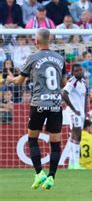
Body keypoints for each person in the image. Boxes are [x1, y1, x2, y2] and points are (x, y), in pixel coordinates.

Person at [7, 28, 67, 190]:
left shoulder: (33, 57)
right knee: (55, 143)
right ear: (50, 40)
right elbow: (63, 84)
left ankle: (39, 172)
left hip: (39, 103)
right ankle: (51, 177)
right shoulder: (60, 58)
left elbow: (19, 81)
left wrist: (10, 79)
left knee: (32, 138)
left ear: (37, 41)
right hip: (55, 104)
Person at [62, 64, 87, 170]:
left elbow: (84, 98)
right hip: (74, 112)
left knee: (74, 136)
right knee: (78, 135)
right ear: (73, 73)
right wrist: (73, 109)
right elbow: (64, 94)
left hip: (80, 113)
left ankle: (71, 164)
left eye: (80, 70)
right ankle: (76, 163)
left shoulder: (84, 82)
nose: (79, 72)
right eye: (76, 71)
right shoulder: (72, 82)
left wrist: (84, 112)